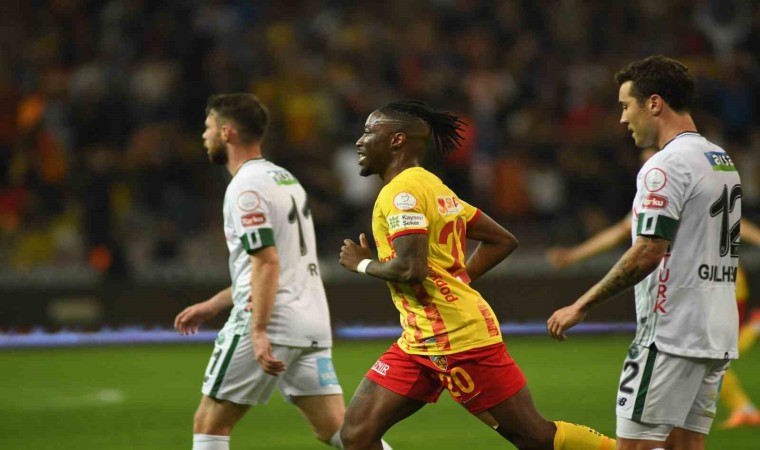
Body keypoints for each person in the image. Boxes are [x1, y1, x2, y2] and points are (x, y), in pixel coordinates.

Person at [339, 99, 616, 450]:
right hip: (419, 339)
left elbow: (411, 269)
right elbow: (502, 240)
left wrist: (361, 264)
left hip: (458, 340)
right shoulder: (433, 186)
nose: (360, 141)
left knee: (534, 438)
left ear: (397, 140)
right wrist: (455, 282)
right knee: (357, 435)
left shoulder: (401, 193)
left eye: (368, 132)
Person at [173, 93, 392, 450]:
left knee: (210, 423)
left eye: (208, 127)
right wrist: (214, 304)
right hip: (310, 321)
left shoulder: (244, 187)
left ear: (227, 132)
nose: (204, 135)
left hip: (272, 321)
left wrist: (259, 329)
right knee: (340, 430)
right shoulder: (284, 179)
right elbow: (283, 264)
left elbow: (267, 261)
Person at [547, 56, 742, 450]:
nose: (623, 119)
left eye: (626, 105)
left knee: (635, 446)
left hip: (670, 335)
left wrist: (581, 304)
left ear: (654, 103)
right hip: (716, 332)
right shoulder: (719, 160)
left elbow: (648, 251)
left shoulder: (665, 166)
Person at [547, 202, 760, 430]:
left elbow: (732, 220)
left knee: (702, 351)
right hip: (699, 287)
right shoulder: (656, 195)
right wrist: (574, 255)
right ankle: (735, 406)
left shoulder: (677, 189)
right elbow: (622, 230)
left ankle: (741, 403)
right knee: (702, 353)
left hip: (713, 286)